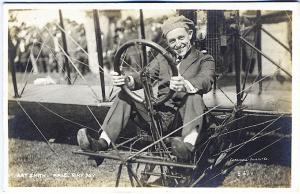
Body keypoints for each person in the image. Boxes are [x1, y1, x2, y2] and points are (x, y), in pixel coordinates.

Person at [77, 15, 215, 164]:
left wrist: (185, 84)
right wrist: (127, 80)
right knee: (125, 95)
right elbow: (143, 75)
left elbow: (206, 81)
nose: (178, 44)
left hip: (184, 118)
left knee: (193, 96)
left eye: (181, 38)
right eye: (172, 41)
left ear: (190, 34)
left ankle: (187, 146)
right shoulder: (163, 58)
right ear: (167, 43)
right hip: (160, 117)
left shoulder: (204, 59)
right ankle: (102, 143)